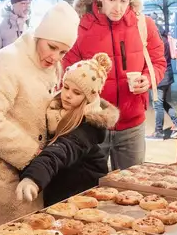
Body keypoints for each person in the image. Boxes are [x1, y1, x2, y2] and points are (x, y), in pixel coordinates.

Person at [0, 1, 80, 235]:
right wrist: (33, 155)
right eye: (52, 47)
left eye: (63, 51)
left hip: (25, 178)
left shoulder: (53, 66)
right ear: (39, 36)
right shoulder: (7, 62)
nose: (55, 57)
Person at [65, 0, 166, 170]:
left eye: (123, 0)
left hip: (133, 124)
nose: (118, 7)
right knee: (90, 190)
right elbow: (67, 72)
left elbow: (158, 62)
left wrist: (148, 79)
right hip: (92, 125)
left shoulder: (143, 25)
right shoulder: (80, 27)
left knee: (132, 188)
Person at [16, 53, 119, 206]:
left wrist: (33, 178)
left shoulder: (88, 125)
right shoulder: (54, 111)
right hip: (61, 187)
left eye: (77, 93)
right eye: (66, 87)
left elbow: (61, 150)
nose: (68, 95)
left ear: (89, 98)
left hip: (83, 194)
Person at [149, 24, 177, 140]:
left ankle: (158, 132)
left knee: (157, 105)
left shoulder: (158, 42)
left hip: (160, 77)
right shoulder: (166, 40)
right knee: (163, 103)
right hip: (168, 76)